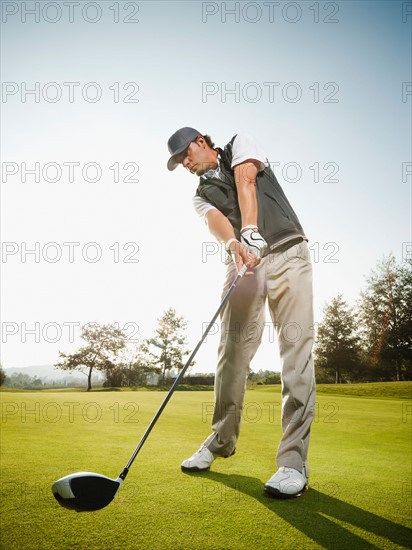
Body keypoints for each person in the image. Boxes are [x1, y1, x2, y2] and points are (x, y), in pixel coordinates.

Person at [166, 127, 316, 499]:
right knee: (231, 354)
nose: (185, 163)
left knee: (295, 353)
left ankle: (293, 464)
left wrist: (250, 228)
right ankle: (220, 441)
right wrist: (236, 244)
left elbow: (246, 180)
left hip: (287, 252)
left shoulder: (239, 143)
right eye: (180, 162)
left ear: (202, 141)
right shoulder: (200, 194)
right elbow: (215, 221)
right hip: (244, 264)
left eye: (186, 154)